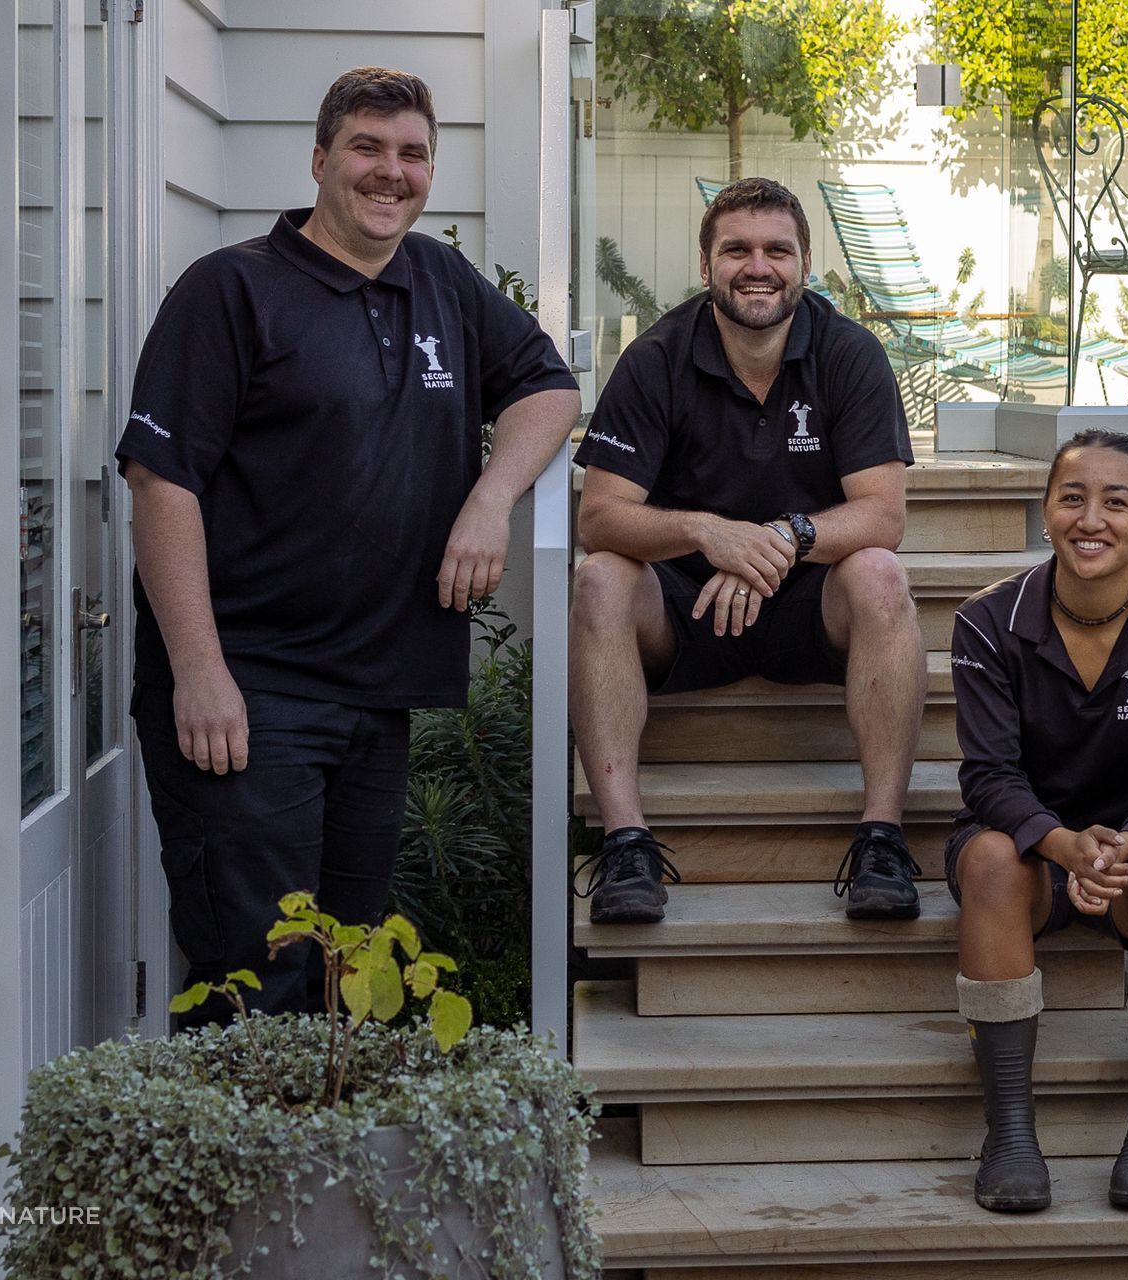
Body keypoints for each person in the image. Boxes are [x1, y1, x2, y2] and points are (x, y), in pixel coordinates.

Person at [114, 66, 580, 1025]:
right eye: (367, 148)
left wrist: (491, 497)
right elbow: (161, 483)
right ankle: (240, 1177)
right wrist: (198, 671)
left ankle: (323, 1177)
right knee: (256, 977)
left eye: (412, 153)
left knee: (353, 973)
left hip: (378, 692)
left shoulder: (438, 279)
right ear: (320, 160)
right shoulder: (231, 290)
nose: (391, 172)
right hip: (249, 696)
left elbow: (550, 390)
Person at [570, 177, 925, 925]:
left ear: (804, 265)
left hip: (807, 608)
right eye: (737, 249)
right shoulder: (656, 358)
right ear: (706, 266)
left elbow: (883, 516)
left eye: (777, 250)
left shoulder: (849, 354)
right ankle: (627, 844)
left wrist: (783, 538)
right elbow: (599, 519)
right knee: (600, 579)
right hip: (683, 611)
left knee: (881, 574)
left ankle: (883, 839)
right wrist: (706, 532)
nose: (756, 266)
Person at [946, 429, 1128, 1213]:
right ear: (1045, 513)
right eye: (1072, 498)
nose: (1091, 518)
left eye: (1115, 501)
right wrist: (1063, 846)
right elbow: (988, 776)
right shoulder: (986, 623)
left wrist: (1127, 842)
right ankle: (1009, 1133)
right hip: (1031, 856)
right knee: (993, 859)